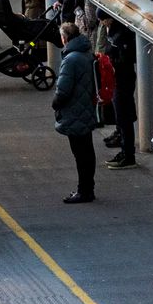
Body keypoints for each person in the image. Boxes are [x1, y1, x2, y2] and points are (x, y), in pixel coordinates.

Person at [51, 21, 98, 204]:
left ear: (64, 38)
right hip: (86, 108)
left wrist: (55, 104)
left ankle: (83, 190)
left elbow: (63, 90)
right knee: (87, 151)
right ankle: (88, 188)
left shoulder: (70, 59)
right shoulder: (86, 53)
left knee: (80, 155)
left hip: (74, 111)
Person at [99, 17, 138, 168]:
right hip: (121, 79)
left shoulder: (121, 36)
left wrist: (111, 63)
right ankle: (125, 151)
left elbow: (124, 58)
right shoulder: (117, 33)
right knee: (122, 117)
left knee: (124, 117)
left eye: (103, 20)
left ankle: (128, 154)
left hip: (122, 80)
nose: (102, 23)